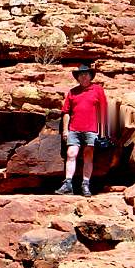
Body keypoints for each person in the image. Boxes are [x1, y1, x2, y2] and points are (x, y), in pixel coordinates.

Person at [56, 64, 108, 197]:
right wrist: (65, 130)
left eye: (86, 74)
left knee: (88, 156)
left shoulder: (98, 90)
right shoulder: (73, 92)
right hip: (74, 129)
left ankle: (85, 185)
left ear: (90, 76)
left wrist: (103, 132)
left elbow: (103, 110)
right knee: (71, 154)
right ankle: (68, 184)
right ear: (78, 77)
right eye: (81, 74)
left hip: (92, 129)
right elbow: (66, 112)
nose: (84, 76)